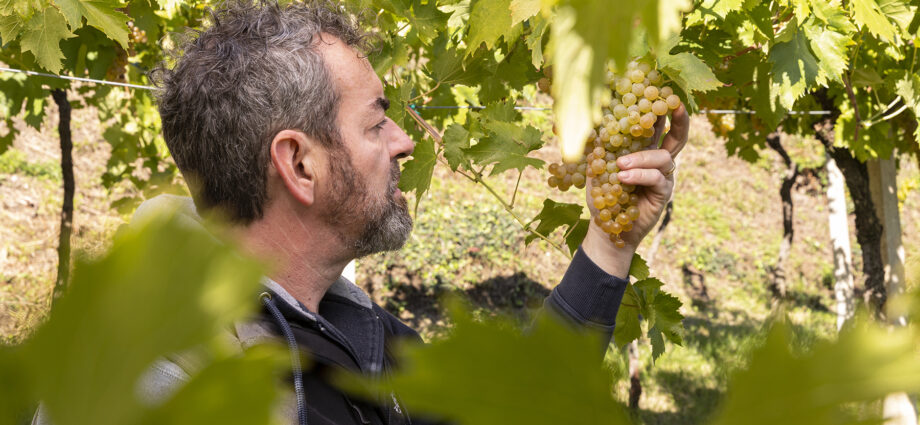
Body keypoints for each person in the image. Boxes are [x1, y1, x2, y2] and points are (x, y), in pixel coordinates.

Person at [38, 1, 689, 424]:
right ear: (299, 165)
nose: (406, 142)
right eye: (377, 123)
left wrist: (610, 243)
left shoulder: (353, 330)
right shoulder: (165, 388)